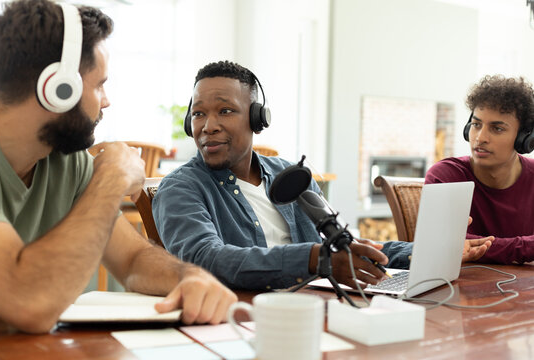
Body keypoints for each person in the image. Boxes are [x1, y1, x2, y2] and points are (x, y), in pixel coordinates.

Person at [0, 0, 236, 334]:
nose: (106, 100)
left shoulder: (65, 159)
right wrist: (111, 177)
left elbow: (132, 259)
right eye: (99, 84)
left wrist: (188, 277)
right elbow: (30, 303)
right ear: (57, 90)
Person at [153, 60, 490, 290]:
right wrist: (315, 260)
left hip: (318, 304)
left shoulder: (290, 176)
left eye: (225, 110)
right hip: (243, 320)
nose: (208, 126)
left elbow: (341, 244)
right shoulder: (180, 189)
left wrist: (422, 251)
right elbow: (205, 259)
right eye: (198, 114)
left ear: (257, 119)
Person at [426, 74, 534, 264]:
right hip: (459, 289)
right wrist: (526, 248)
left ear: (524, 138)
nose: (480, 137)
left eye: (497, 128)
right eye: (476, 125)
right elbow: (448, 244)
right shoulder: (445, 175)